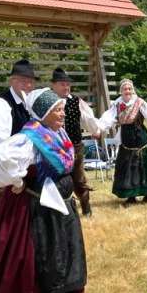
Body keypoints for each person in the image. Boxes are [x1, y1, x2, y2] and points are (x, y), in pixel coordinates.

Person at [0, 88, 86, 293]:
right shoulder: (31, 136)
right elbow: (0, 157)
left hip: (60, 210)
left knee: (63, 257)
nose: (63, 114)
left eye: (63, 109)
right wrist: (17, 181)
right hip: (35, 212)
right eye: (58, 110)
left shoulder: (58, 133)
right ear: (44, 112)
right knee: (34, 260)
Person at [0, 59, 35, 232]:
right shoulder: (2, 103)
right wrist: (15, 167)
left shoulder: (29, 103)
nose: (28, 85)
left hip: (22, 165)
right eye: (23, 80)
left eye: (30, 81)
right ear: (12, 81)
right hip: (4, 164)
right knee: (0, 207)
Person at [98, 79, 147, 207]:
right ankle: (130, 196)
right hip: (126, 139)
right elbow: (107, 119)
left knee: (144, 166)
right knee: (127, 167)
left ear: (133, 90)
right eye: (125, 89)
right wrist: (98, 129)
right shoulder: (116, 104)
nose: (128, 91)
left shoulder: (139, 103)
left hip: (140, 138)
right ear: (121, 91)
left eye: (129, 89)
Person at [50, 68, 102, 216]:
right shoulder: (46, 101)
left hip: (75, 147)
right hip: (53, 148)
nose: (66, 87)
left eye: (68, 84)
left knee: (79, 179)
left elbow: (88, 119)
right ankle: (58, 213)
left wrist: (95, 130)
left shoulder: (76, 101)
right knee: (56, 180)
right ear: (53, 85)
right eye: (62, 84)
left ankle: (86, 209)